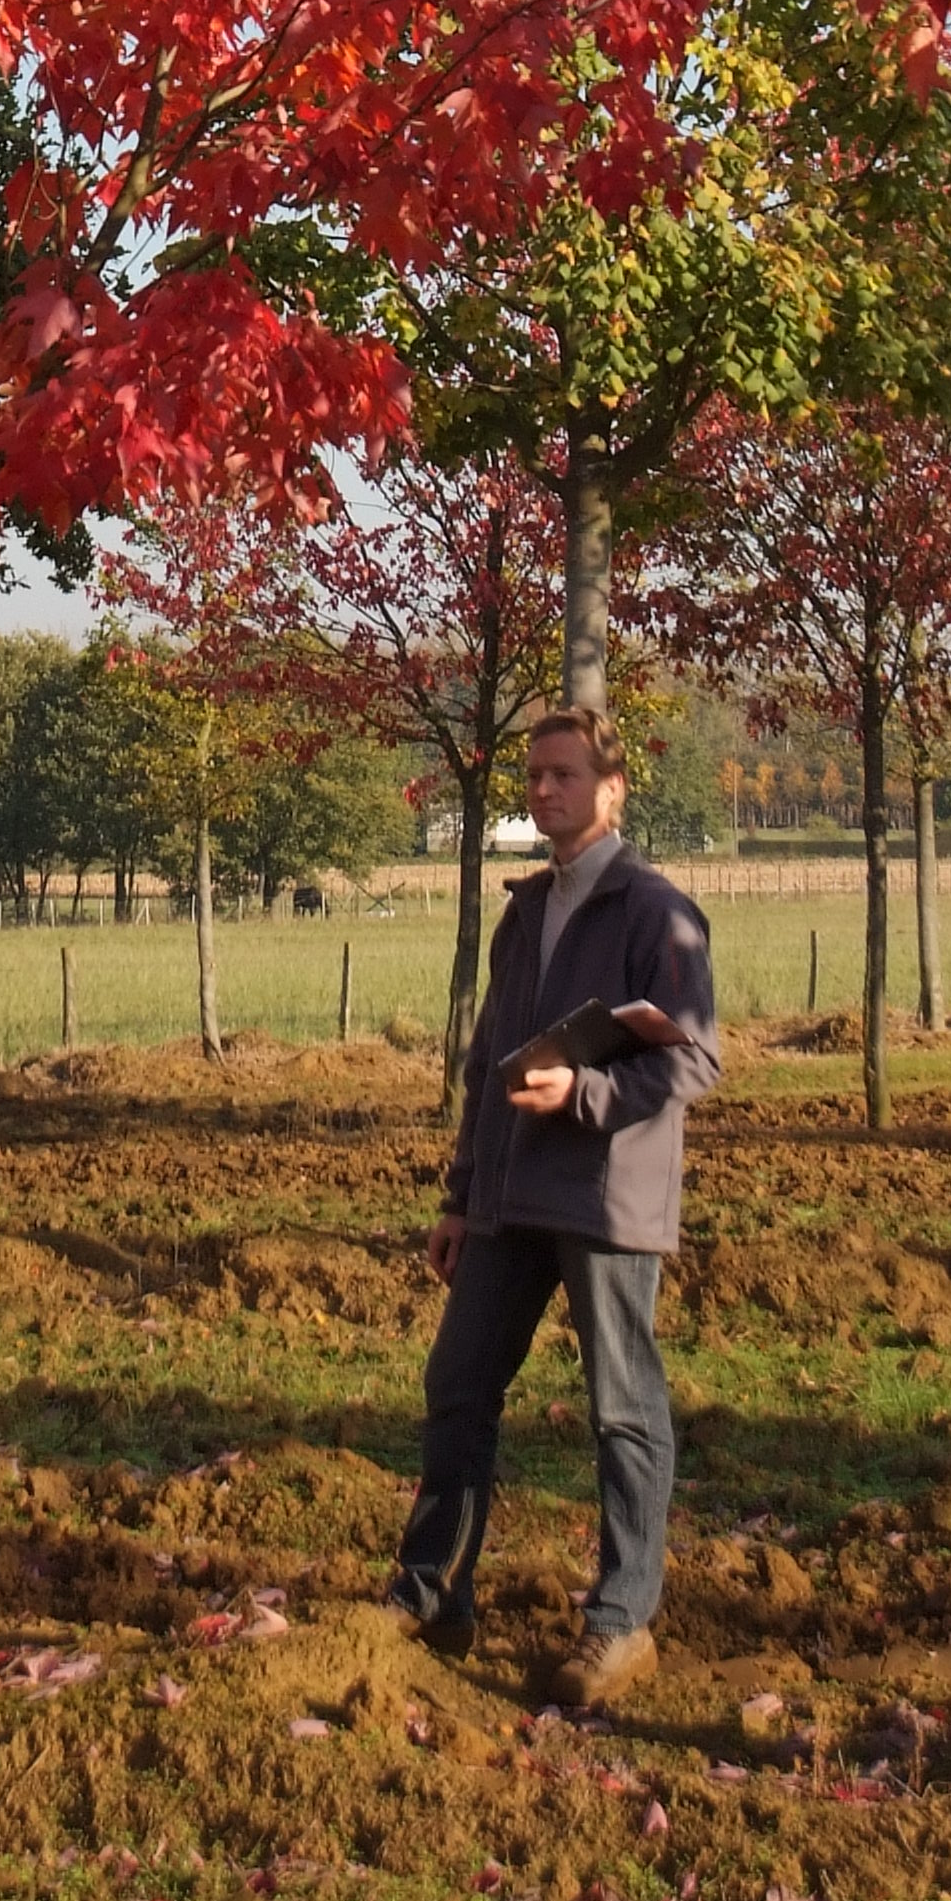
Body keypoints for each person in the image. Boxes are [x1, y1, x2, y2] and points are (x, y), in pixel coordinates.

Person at [389, 702, 720, 1708]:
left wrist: (584, 1095)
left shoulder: (657, 912)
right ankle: (432, 1589)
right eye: (533, 775)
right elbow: (493, 1062)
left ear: (611, 789)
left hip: (606, 1196)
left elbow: (694, 1057)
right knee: (457, 1380)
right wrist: (458, 1196)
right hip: (509, 1194)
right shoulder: (523, 910)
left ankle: (620, 1622)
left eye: (563, 774)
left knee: (622, 1406)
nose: (541, 789)